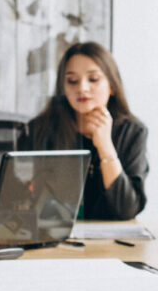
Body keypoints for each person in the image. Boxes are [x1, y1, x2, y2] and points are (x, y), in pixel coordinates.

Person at [19, 42, 149, 220]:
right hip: (53, 236)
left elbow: (126, 209)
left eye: (93, 79)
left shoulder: (133, 132)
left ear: (112, 86)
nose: (82, 88)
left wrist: (105, 147)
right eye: (72, 81)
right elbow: (23, 201)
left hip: (112, 242)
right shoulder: (40, 129)